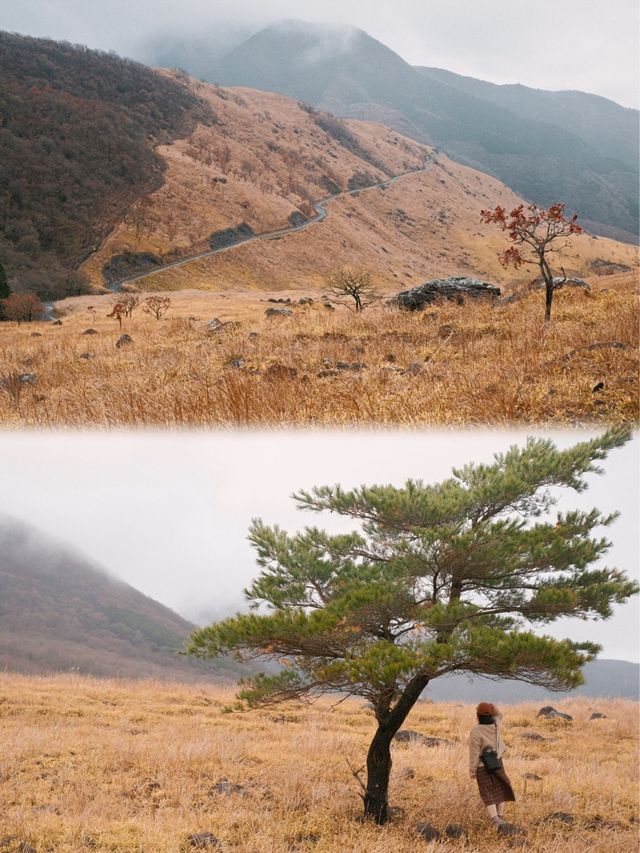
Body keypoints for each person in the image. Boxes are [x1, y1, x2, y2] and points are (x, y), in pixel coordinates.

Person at [469, 701, 516, 833]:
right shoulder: (495, 724)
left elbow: (474, 754)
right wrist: (494, 709)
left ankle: (495, 819)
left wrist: (472, 771)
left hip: (482, 766)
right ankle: (500, 816)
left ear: (478, 715)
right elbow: (499, 715)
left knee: (487, 791)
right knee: (500, 787)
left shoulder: (476, 731)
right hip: (497, 762)